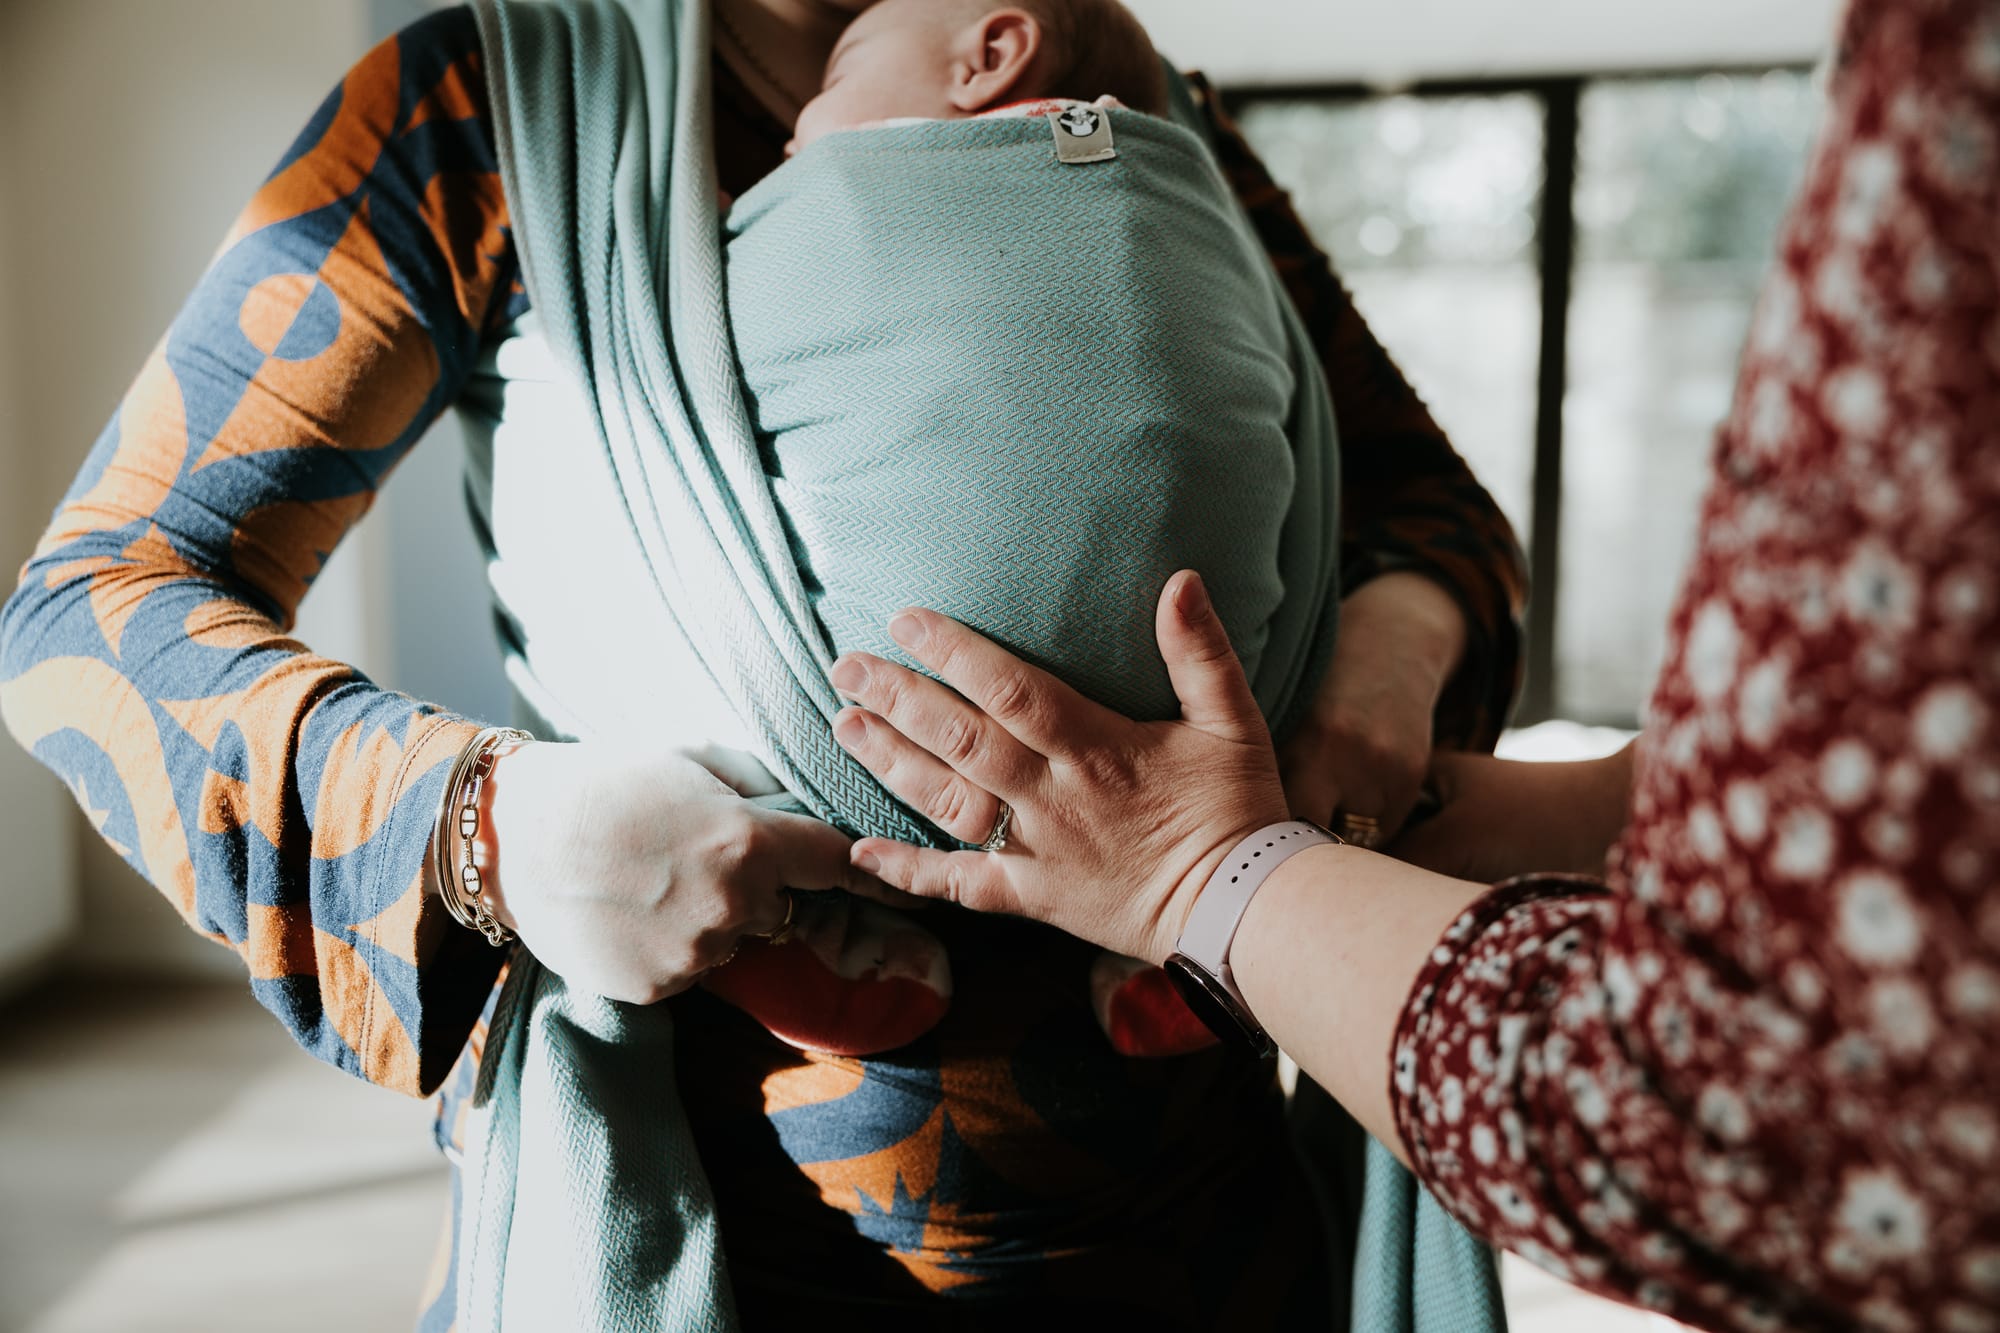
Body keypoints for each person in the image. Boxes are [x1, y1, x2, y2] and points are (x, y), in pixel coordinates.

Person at [0, 0, 1524, 1325]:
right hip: (706, 1239)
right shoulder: (479, 113)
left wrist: (1386, 665)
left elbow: (1427, 504)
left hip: (1220, 1233)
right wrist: (491, 828)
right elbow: (90, 610)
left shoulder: (1126, 119)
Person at [825, 0, 2000, 1327]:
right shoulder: (550, 109)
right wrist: (542, 839)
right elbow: (1877, 791)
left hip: (1220, 1176)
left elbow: (1764, 1095)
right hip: (785, 1213)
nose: (817, 112)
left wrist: (1284, 798)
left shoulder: (1133, 123)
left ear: (994, 48)